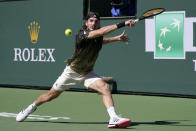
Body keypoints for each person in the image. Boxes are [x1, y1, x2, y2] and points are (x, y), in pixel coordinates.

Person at [16, 12, 135, 128]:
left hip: (87, 73)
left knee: (105, 88)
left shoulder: (98, 37)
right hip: (71, 73)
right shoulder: (81, 34)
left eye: (96, 21)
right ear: (86, 23)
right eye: (91, 21)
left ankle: (113, 118)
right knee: (50, 95)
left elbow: (101, 40)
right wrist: (123, 23)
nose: (93, 23)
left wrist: (116, 38)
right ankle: (31, 107)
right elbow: (101, 32)